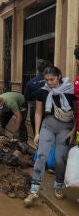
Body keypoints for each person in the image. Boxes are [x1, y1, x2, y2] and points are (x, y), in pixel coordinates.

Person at [24, 66, 76, 207]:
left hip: (65, 129)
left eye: (52, 79)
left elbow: (77, 113)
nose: (50, 83)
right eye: (47, 80)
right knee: (41, 156)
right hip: (48, 126)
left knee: (60, 159)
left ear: (59, 76)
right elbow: (38, 112)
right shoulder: (42, 92)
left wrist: (74, 131)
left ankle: (59, 186)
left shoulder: (71, 91)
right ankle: (34, 190)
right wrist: (37, 132)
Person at [24, 59, 52, 134]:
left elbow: (26, 97)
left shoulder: (30, 82)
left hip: (35, 108)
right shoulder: (52, 81)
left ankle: (39, 145)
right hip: (49, 108)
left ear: (38, 69)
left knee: (37, 133)